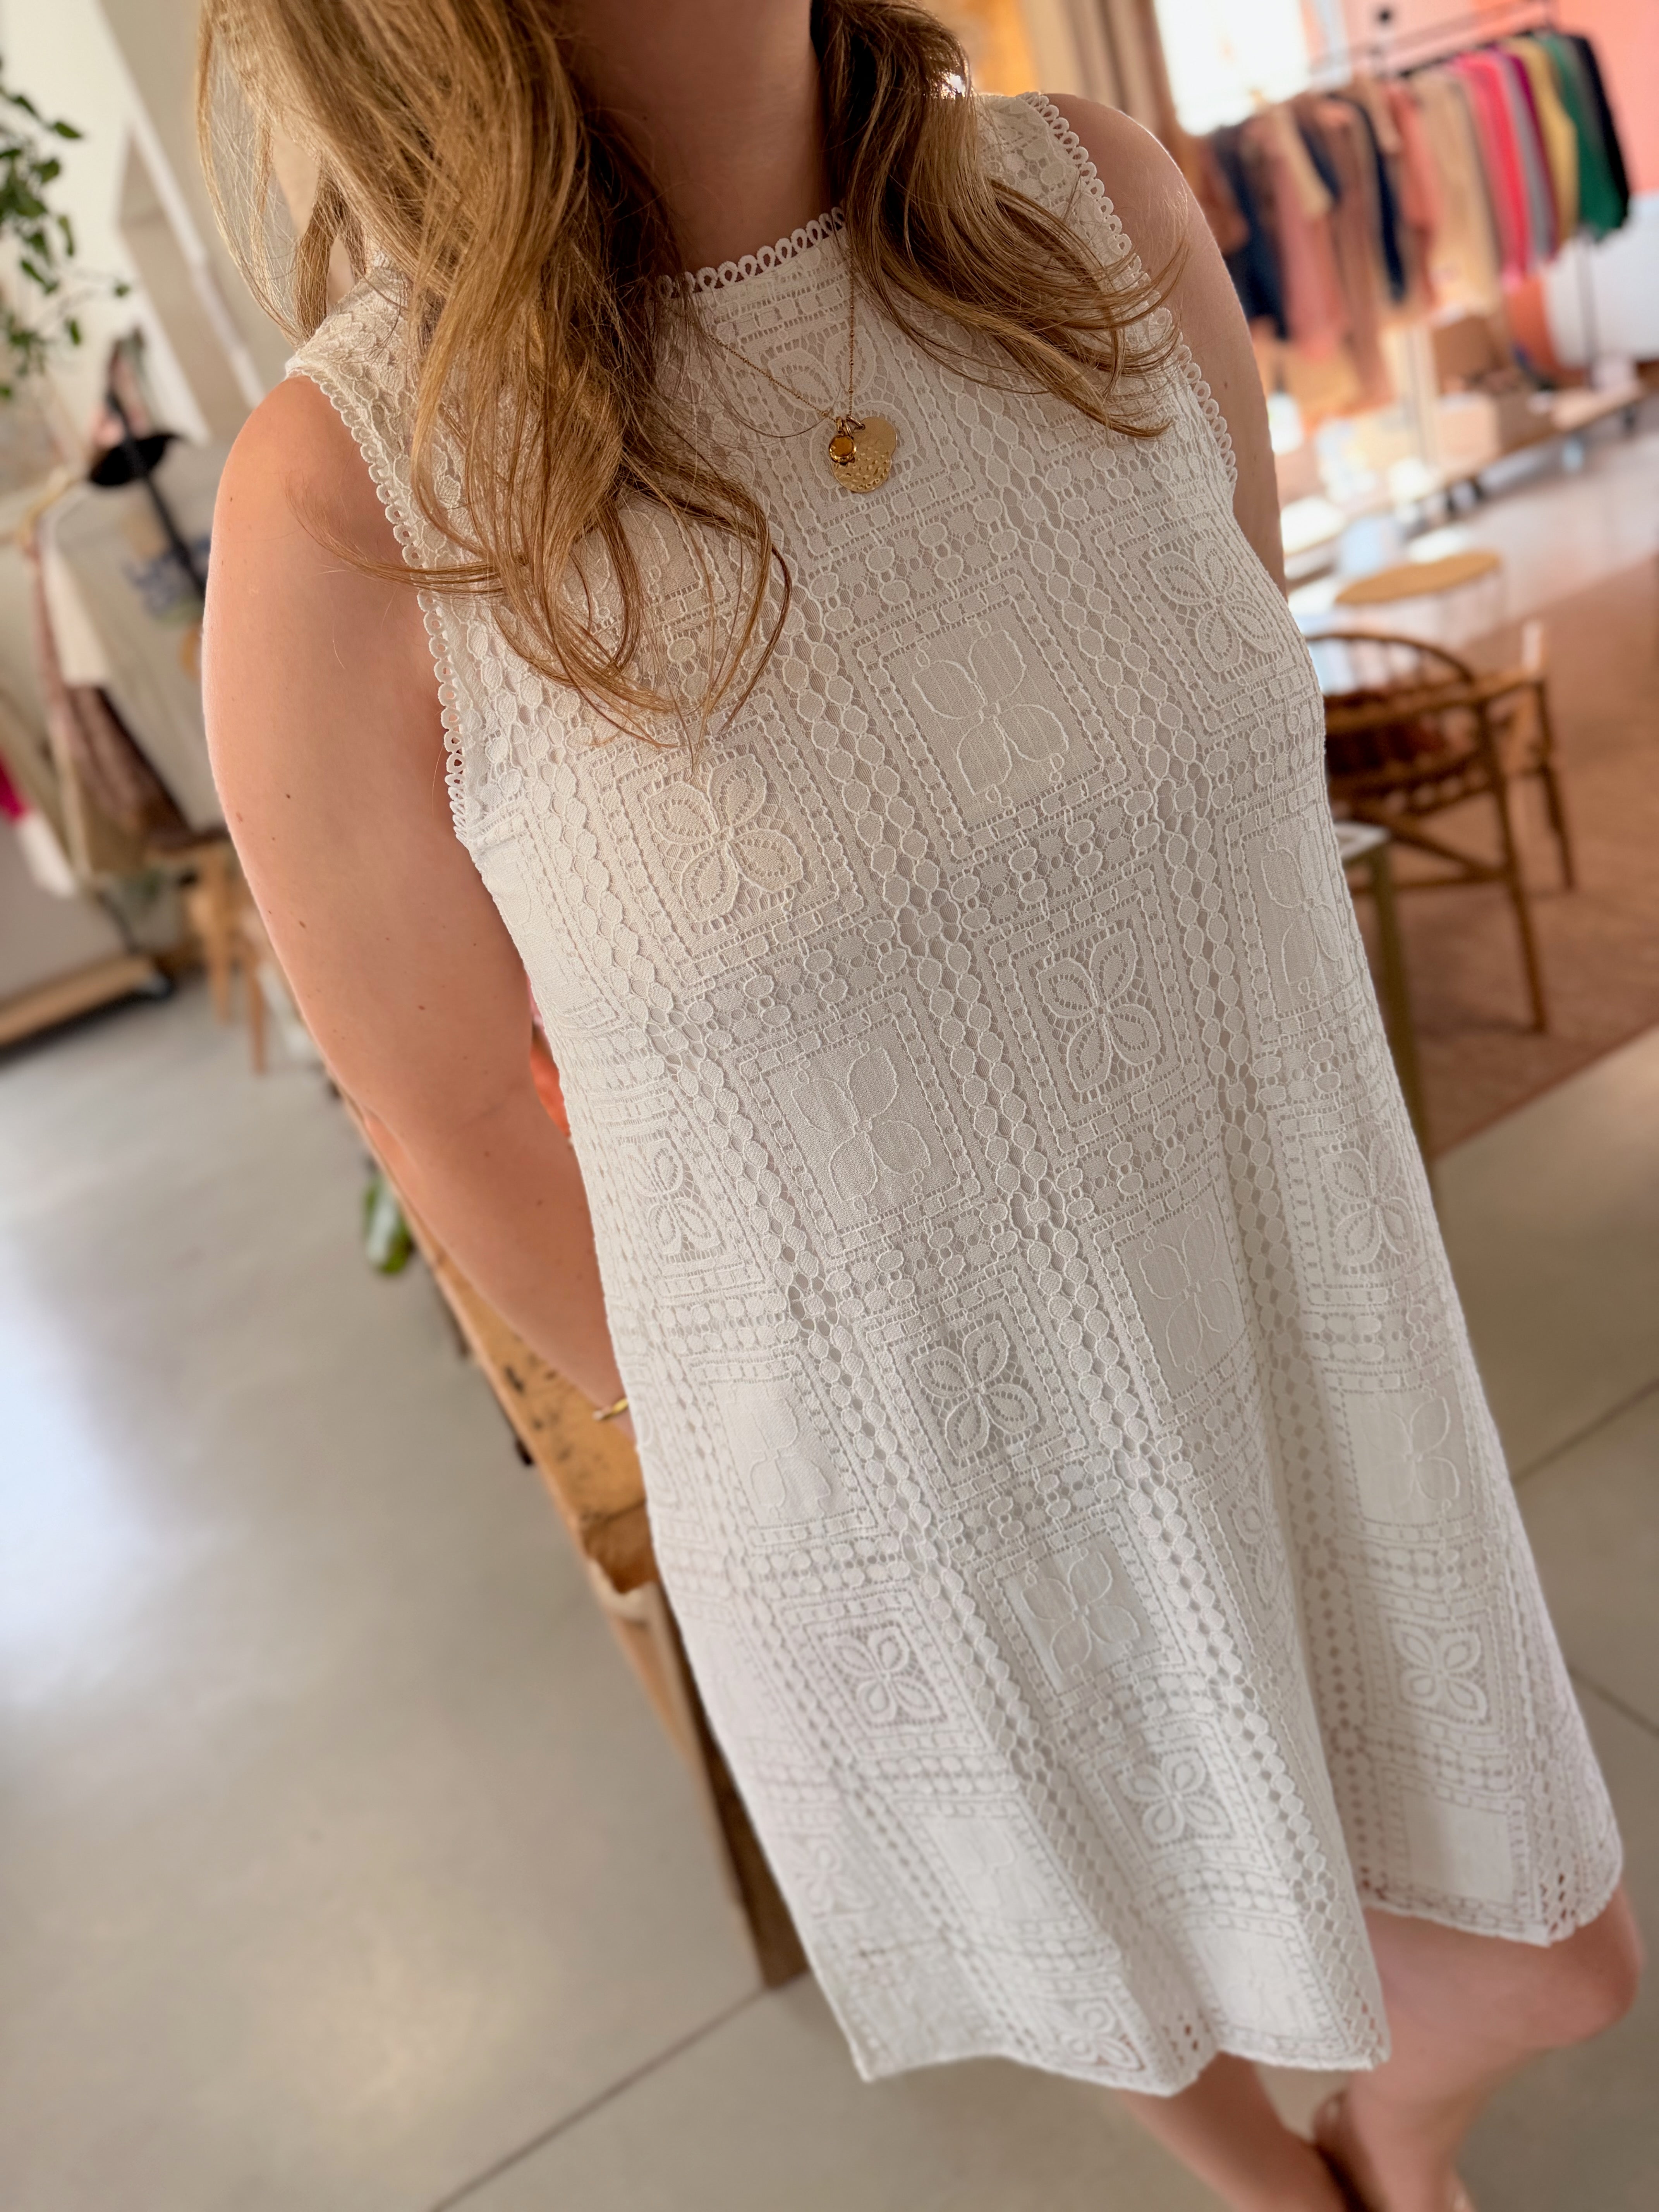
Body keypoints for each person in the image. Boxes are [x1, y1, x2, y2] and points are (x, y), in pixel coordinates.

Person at [198, 5, 1641, 2207]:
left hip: (1296, 1329)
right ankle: (1274, 2183)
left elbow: (1222, 765)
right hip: (894, 1454)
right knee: (1105, 1924)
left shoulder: (1097, 212)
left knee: (1550, 1964)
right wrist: (800, 1455)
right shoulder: (353, 500)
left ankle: (1371, 2141)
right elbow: (448, 1108)